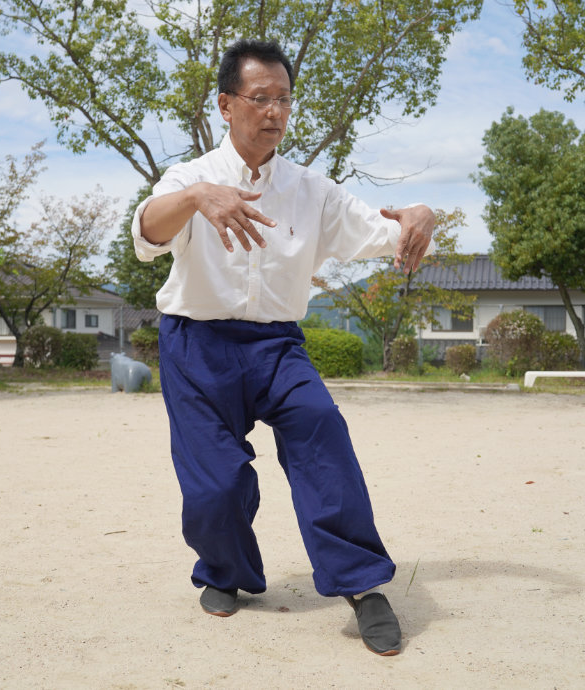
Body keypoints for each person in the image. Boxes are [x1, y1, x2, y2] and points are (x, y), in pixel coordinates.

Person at [132, 39, 435, 657]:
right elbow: (146, 231)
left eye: (284, 100)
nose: (274, 112)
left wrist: (422, 212)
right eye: (259, 98)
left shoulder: (311, 190)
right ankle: (226, 571)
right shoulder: (192, 178)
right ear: (225, 104)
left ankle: (363, 583)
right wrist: (195, 199)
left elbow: (383, 231)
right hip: (197, 345)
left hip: (276, 348)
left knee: (321, 426)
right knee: (216, 486)